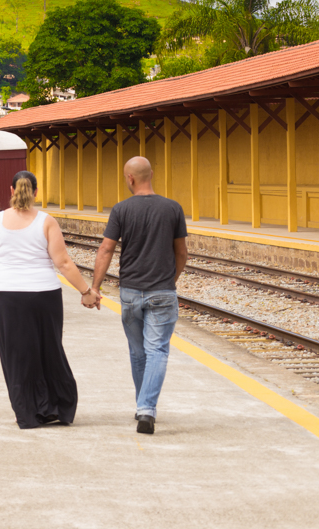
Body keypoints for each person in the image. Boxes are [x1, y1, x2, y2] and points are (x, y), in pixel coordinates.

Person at [0, 170, 100, 429]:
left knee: (15, 355)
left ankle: (25, 412)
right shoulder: (46, 221)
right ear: (35, 192)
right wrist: (86, 291)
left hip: (5, 295)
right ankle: (55, 407)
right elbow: (64, 263)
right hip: (43, 295)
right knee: (48, 349)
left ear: (11, 191)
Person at [92, 156, 188, 435]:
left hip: (131, 293)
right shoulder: (173, 208)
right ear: (151, 174)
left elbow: (106, 250)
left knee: (138, 352)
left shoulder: (121, 209)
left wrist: (95, 288)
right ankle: (146, 408)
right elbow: (181, 253)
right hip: (162, 292)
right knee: (157, 350)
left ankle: (143, 406)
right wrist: (170, 281)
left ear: (130, 179)